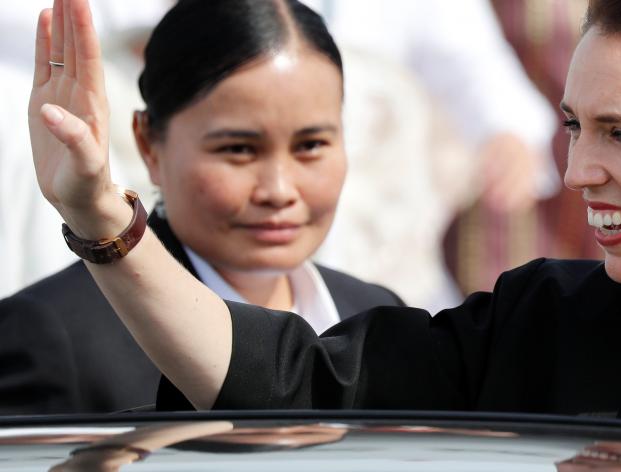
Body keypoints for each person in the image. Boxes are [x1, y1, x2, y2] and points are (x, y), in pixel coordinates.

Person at [27, 0, 621, 468]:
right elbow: (283, 379)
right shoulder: (543, 319)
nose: (576, 173)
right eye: (572, 127)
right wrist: (101, 216)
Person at [0, 0, 402, 415]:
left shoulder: (378, 317)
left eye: (311, 146)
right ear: (148, 145)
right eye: (238, 149)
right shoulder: (56, 336)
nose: (279, 190)